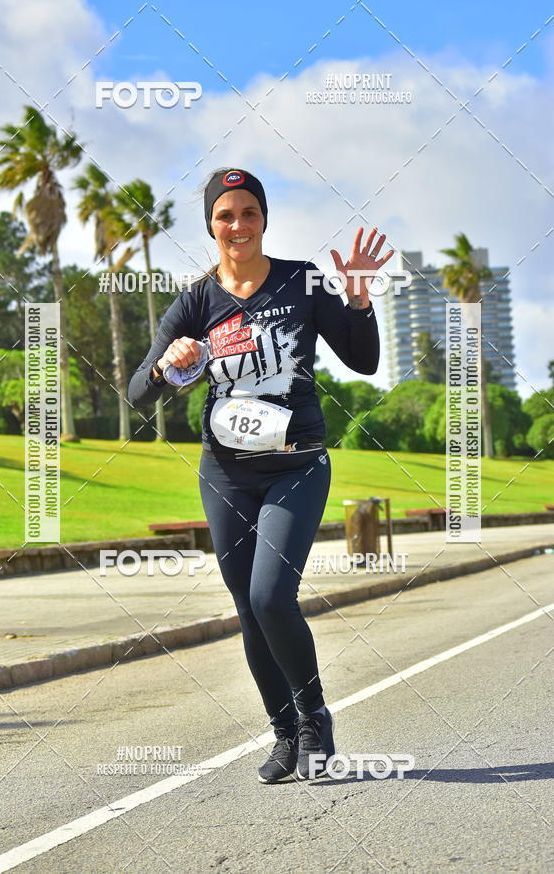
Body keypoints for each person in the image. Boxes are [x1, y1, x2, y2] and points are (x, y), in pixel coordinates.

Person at [128, 167, 394, 784]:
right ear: (211, 226)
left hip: (297, 465)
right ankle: (282, 735)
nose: (238, 225)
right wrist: (170, 366)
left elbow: (364, 358)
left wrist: (357, 300)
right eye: (226, 215)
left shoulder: (302, 281)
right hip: (225, 473)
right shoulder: (196, 301)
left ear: (264, 219)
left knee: (271, 596)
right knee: (249, 611)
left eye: (249, 212)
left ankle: (313, 720)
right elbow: (140, 389)